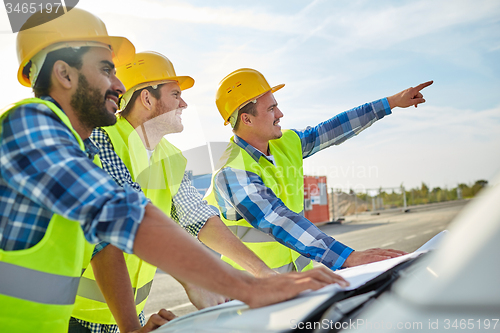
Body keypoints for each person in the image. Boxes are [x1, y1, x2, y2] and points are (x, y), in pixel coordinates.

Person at [0, 11, 348, 333]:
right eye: (106, 69)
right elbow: (120, 215)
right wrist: (247, 286)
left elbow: (179, 222)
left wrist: (132, 325)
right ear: (64, 74)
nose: (119, 87)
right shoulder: (29, 125)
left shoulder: (92, 146)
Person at [70, 51, 282, 332]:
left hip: (123, 316)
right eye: (175, 94)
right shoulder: (101, 139)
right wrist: (196, 279)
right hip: (71, 316)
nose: (184, 103)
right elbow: (120, 227)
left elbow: (199, 217)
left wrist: (261, 273)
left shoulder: (170, 156)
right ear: (147, 99)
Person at [206, 68, 431, 273]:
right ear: (246, 119)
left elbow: (332, 129)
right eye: (271, 108)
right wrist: (347, 258)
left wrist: (390, 103)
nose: (280, 114)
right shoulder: (232, 171)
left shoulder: (285, 143)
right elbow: (278, 219)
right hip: (251, 292)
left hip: (298, 281)